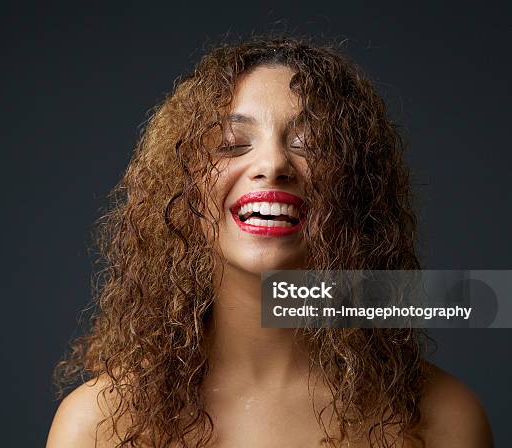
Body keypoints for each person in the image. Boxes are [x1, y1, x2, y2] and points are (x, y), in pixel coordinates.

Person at [46, 36, 493, 447]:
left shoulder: (444, 421)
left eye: (310, 143)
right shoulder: (98, 425)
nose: (273, 163)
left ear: (359, 191)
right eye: (231, 143)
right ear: (180, 190)